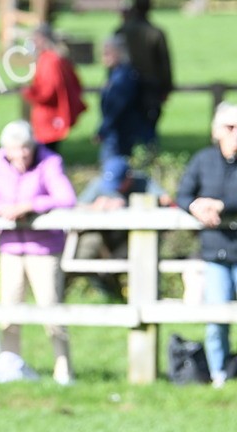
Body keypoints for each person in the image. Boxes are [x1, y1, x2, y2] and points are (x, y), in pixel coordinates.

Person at [0, 120, 78, 385]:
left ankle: (63, 370)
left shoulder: (49, 161)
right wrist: (2, 207)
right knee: (9, 312)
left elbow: (66, 198)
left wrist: (30, 205)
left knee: (50, 310)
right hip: (10, 248)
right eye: (14, 150)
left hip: (43, 249)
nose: (20, 155)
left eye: (25, 149)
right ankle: (10, 367)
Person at [176, 101, 237, 388]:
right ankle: (219, 375)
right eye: (230, 127)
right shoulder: (203, 160)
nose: (235, 133)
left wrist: (222, 206)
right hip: (214, 252)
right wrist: (196, 207)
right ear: (217, 131)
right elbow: (183, 194)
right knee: (216, 318)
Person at [74, 155, 173, 300]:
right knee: (86, 257)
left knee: (139, 260)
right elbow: (76, 207)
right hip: (106, 236)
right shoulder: (100, 183)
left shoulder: (142, 181)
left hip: (133, 237)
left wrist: (127, 207)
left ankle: (140, 299)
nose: (116, 188)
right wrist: (96, 207)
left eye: (119, 183)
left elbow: (166, 200)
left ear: (129, 177)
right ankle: (111, 296)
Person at [116, 0, 173, 147]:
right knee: (148, 135)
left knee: (128, 134)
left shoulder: (122, 31)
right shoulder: (156, 33)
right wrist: (166, 88)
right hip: (150, 91)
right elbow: (164, 65)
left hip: (126, 90)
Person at [21, 23, 86, 153]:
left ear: (42, 39)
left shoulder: (50, 60)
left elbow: (48, 91)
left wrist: (29, 92)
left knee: (47, 155)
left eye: (35, 40)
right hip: (52, 115)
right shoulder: (57, 58)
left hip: (49, 117)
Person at [96, 35, 152, 164]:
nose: (104, 57)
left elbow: (117, 106)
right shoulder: (115, 74)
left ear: (119, 53)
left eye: (108, 53)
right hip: (116, 131)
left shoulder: (124, 77)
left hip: (121, 132)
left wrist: (103, 129)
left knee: (113, 167)